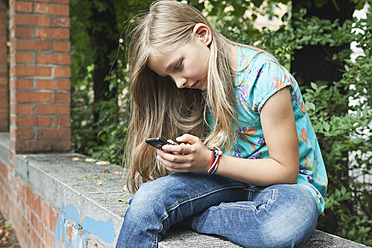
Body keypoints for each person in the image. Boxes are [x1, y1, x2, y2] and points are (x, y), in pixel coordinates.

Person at [116, 1, 328, 247]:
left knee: (282, 227)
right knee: (146, 201)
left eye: (178, 66)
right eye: (168, 76)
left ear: (202, 35)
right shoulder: (198, 83)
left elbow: (286, 171)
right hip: (224, 179)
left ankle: (193, 217)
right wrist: (184, 157)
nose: (178, 83)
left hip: (285, 187)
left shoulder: (264, 77)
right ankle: (207, 214)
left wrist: (210, 161)